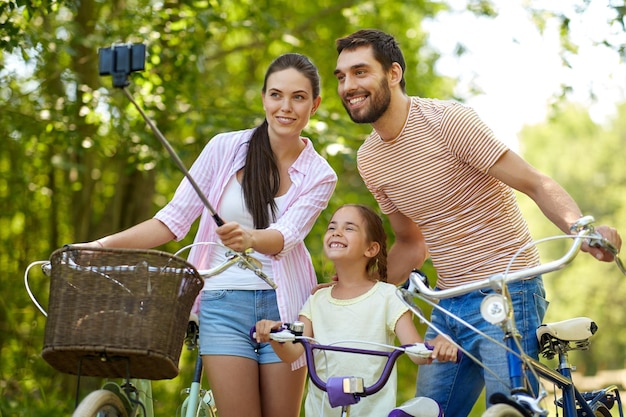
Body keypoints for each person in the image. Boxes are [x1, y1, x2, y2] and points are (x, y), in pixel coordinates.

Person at [332, 29, 623, 416]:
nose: (349, 85)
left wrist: (580, 229)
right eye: (341, 76)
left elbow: (535, 183)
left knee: (508, 410)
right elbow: (411, 243)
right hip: (448, 303)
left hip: (507, 288)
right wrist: (360, 290)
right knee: (426, 410)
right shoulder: (371, 159)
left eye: (360, 72)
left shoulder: (448, 121)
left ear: (394, 74)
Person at [82, 53, 337, 417]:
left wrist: (250, 238)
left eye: (298, 97)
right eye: (276, 95)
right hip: (222, 304)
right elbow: (171, 221)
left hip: (284, 308)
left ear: (315, 104)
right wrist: (100, 246)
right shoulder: (223, 148)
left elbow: (287, 235)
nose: (286, 107)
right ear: (263, 97)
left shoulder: (320, 174)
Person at [254, 204, 458, 417]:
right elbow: (294, 352)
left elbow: (416, 352)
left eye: (349, 228)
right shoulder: (317, 299)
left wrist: (437, 346)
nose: (337, 232)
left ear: (371, 249)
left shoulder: (387, 296)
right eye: (332, 227)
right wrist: (275, 336)